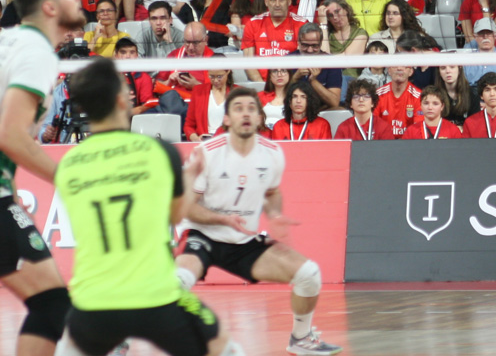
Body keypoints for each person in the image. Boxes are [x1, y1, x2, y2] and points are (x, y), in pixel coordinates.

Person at [52, 58, 245, 356]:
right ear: (121, 101)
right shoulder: (158, 152)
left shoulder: (68, 164)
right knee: (225, 348)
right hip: (157, 295)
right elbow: (176, 214)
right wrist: (190, 176)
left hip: (93, 301)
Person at [177, 87, 341, 354]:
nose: (245, 114)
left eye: (251, 109)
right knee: (176, 283)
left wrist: (274, 214)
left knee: (309, 275)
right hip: (202, 234)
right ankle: (123, 338)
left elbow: (272, 193)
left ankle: (301, 338)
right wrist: (222, 219)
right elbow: (186, 207)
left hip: (243, 241)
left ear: (259, 118)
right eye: (238, 108)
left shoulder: (272, 153)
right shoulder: (206, 153)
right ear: (226, 118)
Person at [0, 0, 81, 356]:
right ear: (50, 7)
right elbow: (12, 136)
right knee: (52, 304)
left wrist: (11, 192)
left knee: (50, 304)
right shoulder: (36, 52)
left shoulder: (9, 41)